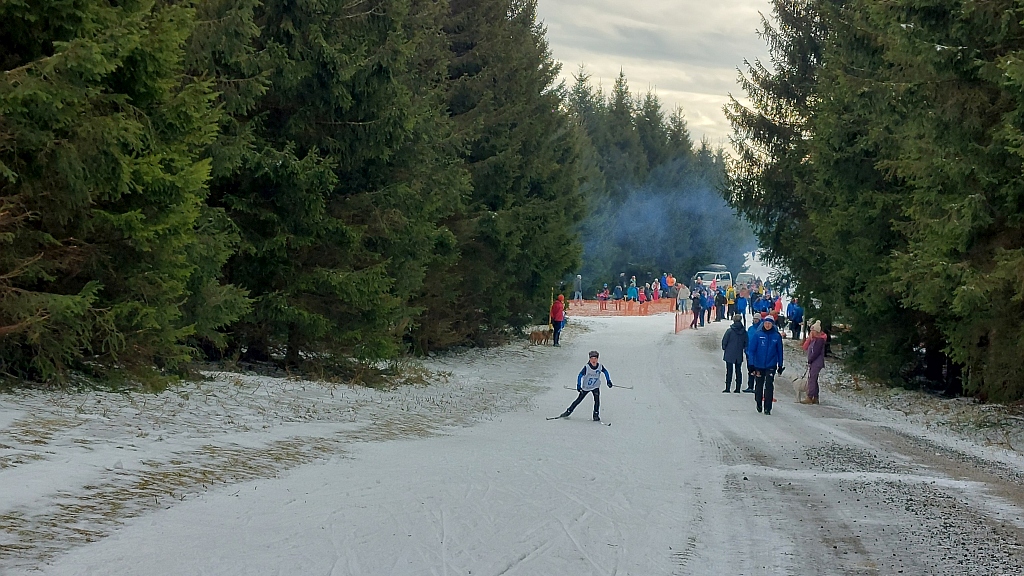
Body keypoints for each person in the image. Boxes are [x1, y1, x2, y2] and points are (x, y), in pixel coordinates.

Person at [559, 350, 614, 421]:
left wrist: (608, 381)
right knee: (578, 400)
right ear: (589, 359)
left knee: (597, 401)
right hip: (586, 387)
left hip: (595, 386)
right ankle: (568, 411)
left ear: (597, 359)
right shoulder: (587, 367)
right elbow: (580, 375)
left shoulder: (600, 366)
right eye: (592, 359)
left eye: (595, 359)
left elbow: (605, 372)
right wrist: (579, 385)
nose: (593, 360)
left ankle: (596, 414)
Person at [747, 314, 785, 415]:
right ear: (763, 323)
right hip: (758, 364)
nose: (767, 325)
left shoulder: (776, 336)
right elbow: (751, 350)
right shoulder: (758, 335)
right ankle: (758, 402)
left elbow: (779, 351)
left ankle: (768, 407)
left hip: (771, 365)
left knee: (769, 385)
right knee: (759, 384)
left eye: (769, 323)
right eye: (766, 323)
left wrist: (780, 365)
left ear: (772, 324)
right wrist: (751, 364)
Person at [722, 314, 748, 393]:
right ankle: (737, 388)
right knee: (738, 371)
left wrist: (725, 348)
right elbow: (746, 342)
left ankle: (727, 388)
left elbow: (724, 341)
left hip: (729, 353)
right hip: (738, 353)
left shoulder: (729, 331)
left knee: (729, 371)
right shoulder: (744, 332)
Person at [803, 320, 826, 404]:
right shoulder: (815, 340)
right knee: (814, 379)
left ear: (816, 331)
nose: (811, 332)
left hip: (816, 362)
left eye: (812, 331)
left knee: (812, 379)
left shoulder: (819, 340)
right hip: (815, 362)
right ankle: (815, 397)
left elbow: (816, 352)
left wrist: (810, 360)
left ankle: (810, 396)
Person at [742, 315, 762, 392]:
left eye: (757, 319)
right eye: (754, 319)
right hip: (749, 353)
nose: (755, 320)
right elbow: (746, 339)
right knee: (750, 370)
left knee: (758, 371)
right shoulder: (750, 329)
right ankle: (750, 386)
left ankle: (758, 387)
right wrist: (745, 348)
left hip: (758, 353)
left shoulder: (761, 329)